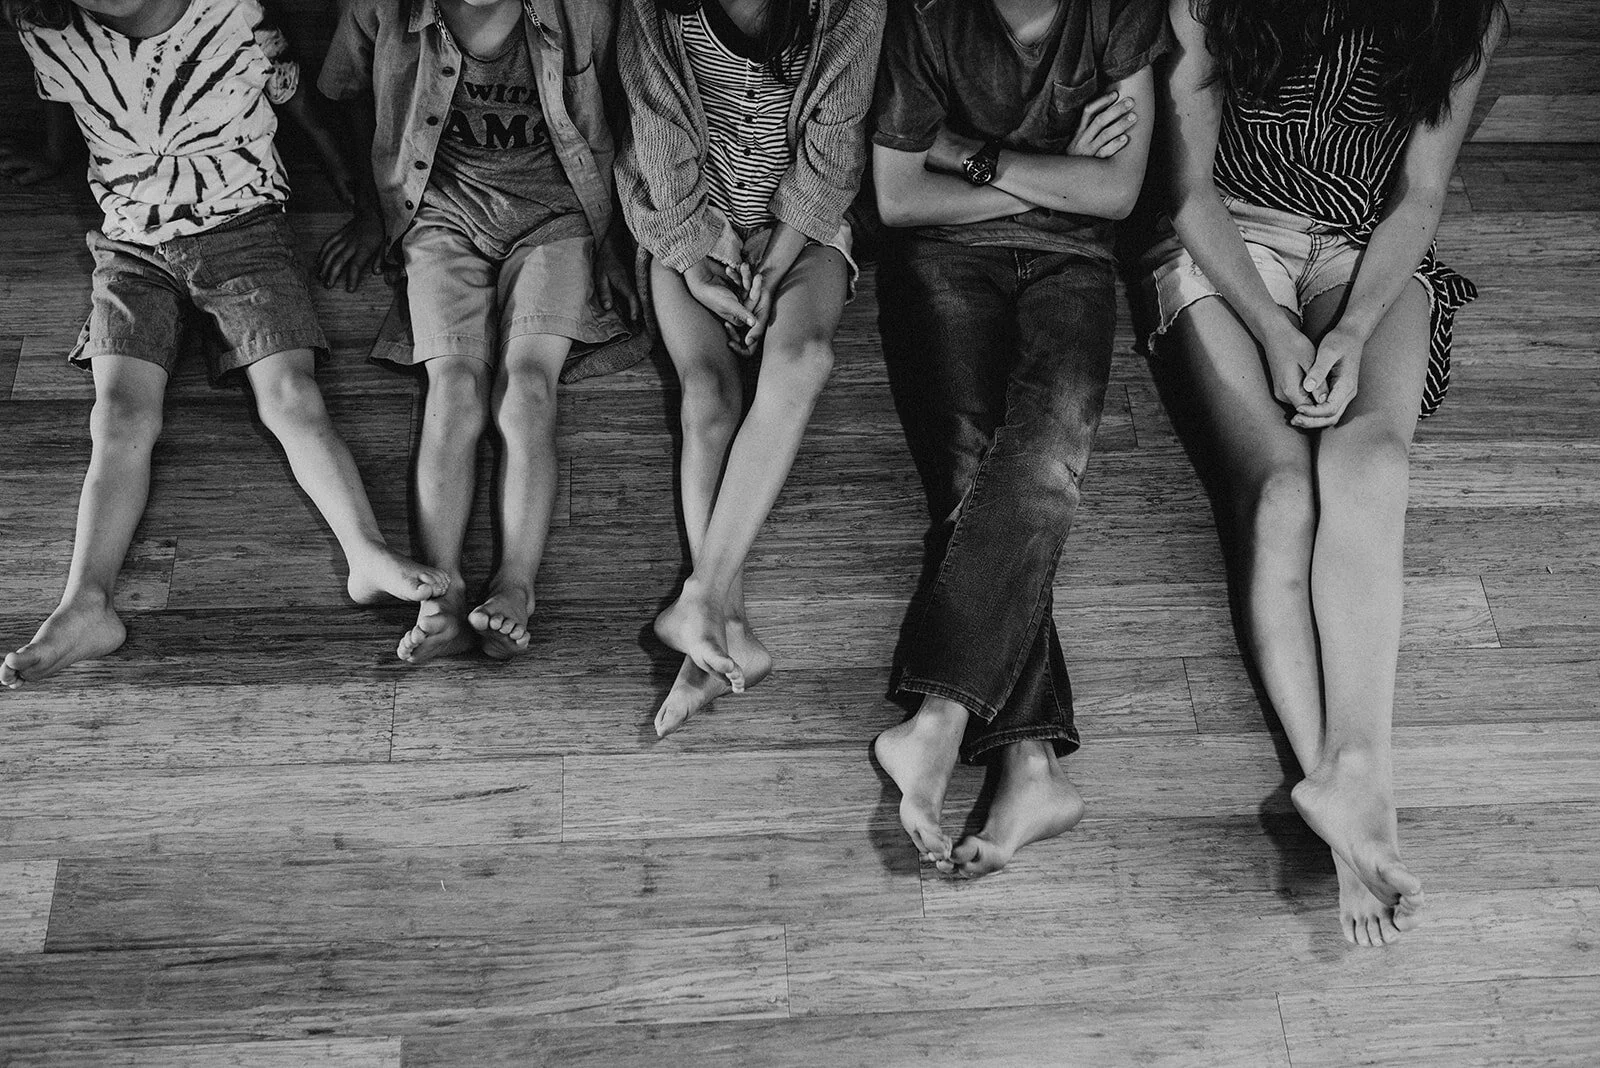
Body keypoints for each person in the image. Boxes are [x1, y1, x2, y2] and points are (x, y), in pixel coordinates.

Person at [1143, 0, 1504, 944]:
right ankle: (1347, 817)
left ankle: (1356, 773)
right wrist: (1273, 332)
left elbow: (1419, 195)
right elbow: (1186, 190)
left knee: (1370, 458)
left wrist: (1349, 330)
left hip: (1361, 249)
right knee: (1282, 491)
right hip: (1228, 237)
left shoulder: (1470, 13)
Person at [0, 0, 448, 690]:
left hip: (246, 231)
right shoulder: (48, 28)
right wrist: (53, 157)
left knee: (291, 395)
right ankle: (86, 602)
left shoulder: (230, 8)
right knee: (118, 417)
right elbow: (67, 98)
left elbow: (298, 100)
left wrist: (360, 199)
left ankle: (365, 554)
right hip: (130, 246)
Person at [871, 0, 1170, 876]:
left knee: (1044, 459)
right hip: (943, 256)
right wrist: (1055, 171)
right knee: (976, 476)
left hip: (1074, 263)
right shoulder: (927, 15)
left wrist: (970, 155)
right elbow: (897, 197)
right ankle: (1029, 764)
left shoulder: (1118, 11)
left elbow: (1117, 192)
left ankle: (942, 719)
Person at [316, 0, 648, 663]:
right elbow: (345, 96)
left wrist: (616, 240)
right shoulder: (382, 9)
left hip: (558, 214)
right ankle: (440, 592)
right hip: (441, 213)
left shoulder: (583, 10)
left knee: (528, 390)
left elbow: (625, 113)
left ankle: (516, 585)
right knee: (454, 388)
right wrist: (368, 210)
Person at [615, 0, 884, 735]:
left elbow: (833, 154)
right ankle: (724, 627)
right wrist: (699, 258)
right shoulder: (655, 10)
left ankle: (703, 602)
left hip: (803, 228)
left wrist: (773, 265)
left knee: (805, 358)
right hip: (686, 224)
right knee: (707, 395)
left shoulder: (851, 8)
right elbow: (658, 143)